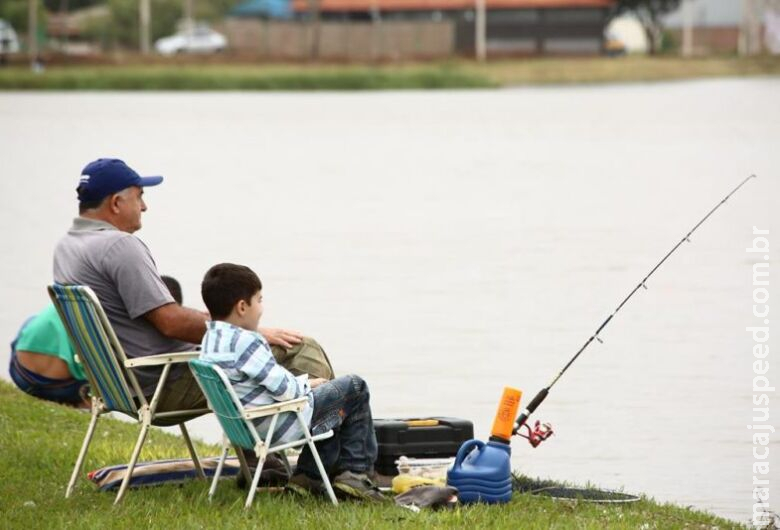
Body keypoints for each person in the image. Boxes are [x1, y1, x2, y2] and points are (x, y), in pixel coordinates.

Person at [52, 158, 334, 423]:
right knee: (300, 348)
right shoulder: (119, 247)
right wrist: (249, 334)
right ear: (116, 202)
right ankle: (323, 459)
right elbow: (171, 322)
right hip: (162, 384)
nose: (144, 206)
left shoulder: (67, 248)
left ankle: (266, 460)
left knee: (236, 355)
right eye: (139, 196)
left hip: (119, 385)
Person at [199, 263, 383, 501]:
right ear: (242, 307)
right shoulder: (246, 343)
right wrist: (307, 385)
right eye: (259, 300)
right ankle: (356, 474)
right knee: (355, 388)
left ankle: (309, 477)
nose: (261, 309)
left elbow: (268, 383)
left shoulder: (210, 341)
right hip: (278, 423)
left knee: (334, 402)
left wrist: (308, 383)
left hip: (244, 427)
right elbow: (286, 391)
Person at [8, 275, 187, 410]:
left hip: (19, 371)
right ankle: (82, 404)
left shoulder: (106, 299)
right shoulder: (128, 327)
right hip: (58, 387)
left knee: (42, 322)